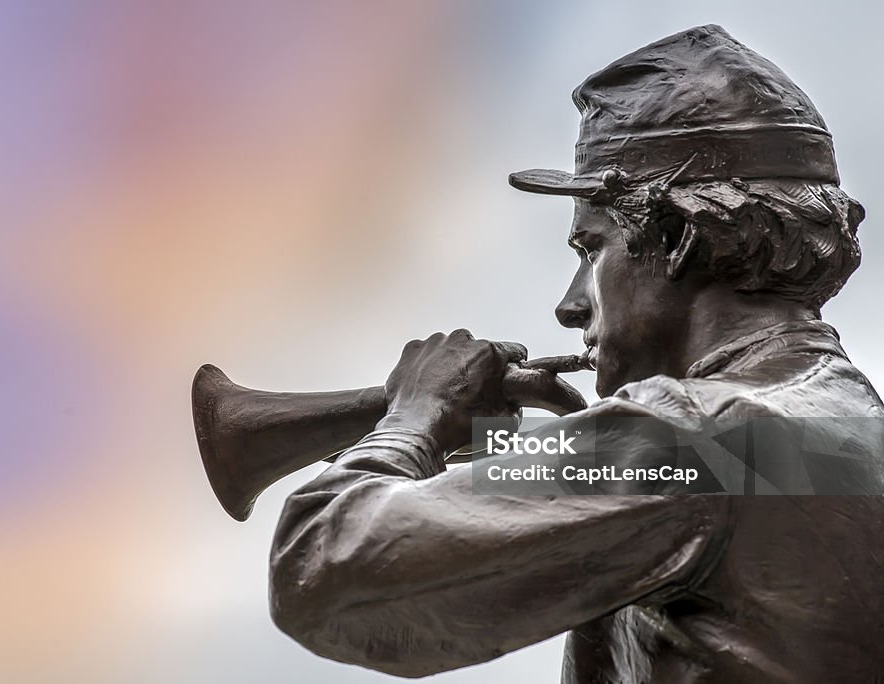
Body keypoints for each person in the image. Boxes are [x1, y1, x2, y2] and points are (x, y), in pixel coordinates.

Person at [268, 25, 884, 682]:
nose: (570, 306)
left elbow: (321, 567)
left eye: (592, 250)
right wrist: (520, 451)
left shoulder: (689, 440)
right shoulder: (849, 430)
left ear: (674, 236)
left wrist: (412, 420)